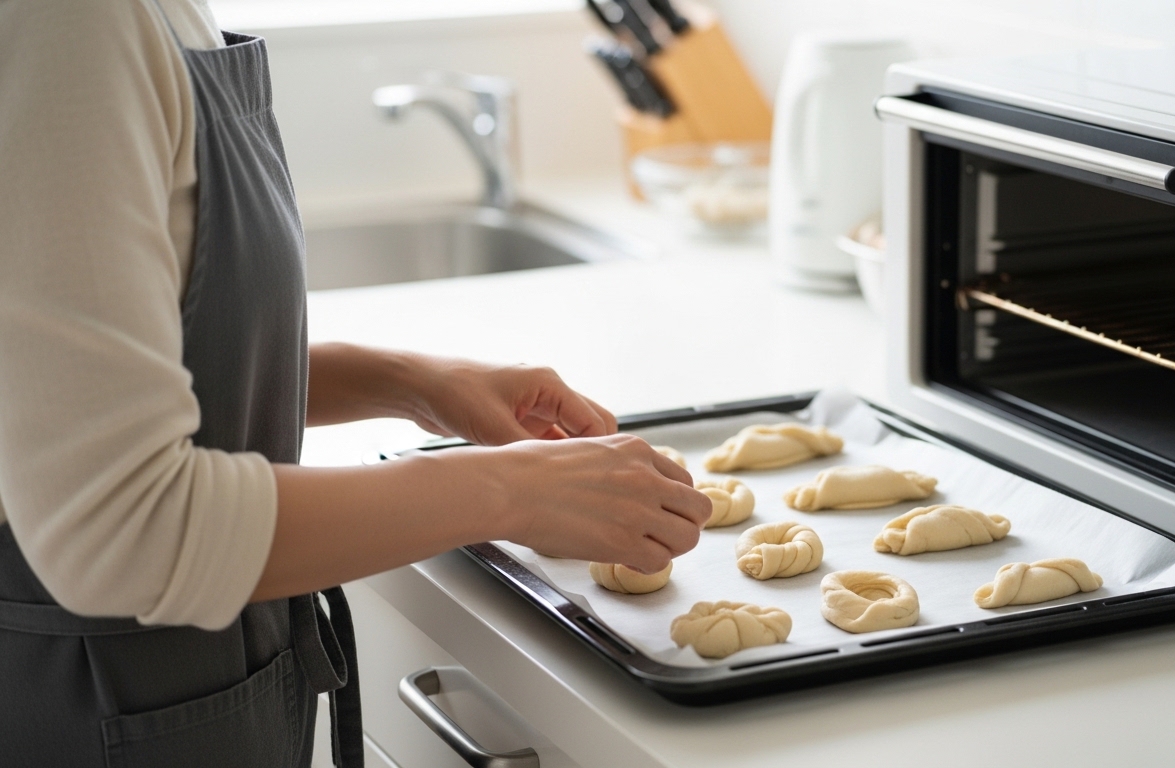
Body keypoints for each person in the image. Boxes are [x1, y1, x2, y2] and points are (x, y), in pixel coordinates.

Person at [0, 1, 712, 765]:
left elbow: (111, 364)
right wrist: (514, 492)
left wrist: (408, 383)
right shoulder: (71, 22)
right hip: (101, 713)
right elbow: (123, 528)